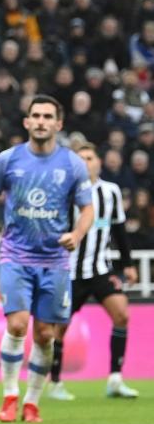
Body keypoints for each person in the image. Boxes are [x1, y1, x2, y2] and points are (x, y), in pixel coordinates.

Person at [0, 95, 94, 424]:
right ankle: (10, 395)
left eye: (48, 116)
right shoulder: (8, 160)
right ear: (26, 122)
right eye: (35, 116)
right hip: (15, 256)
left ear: (59, 123)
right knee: (16, 324)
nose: (41, 121)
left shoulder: (72, 164)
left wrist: (77, 234)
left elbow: (88, 209)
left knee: (45, 335)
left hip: (55, 261)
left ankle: (32, 401)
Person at [49, 144, 139, 400]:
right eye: (81, 159)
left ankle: (115, 379)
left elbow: (119, 230)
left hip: (100, 269)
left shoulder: (111, 192)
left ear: (99, 161)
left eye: (90, 157)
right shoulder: (64, 192)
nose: (86, 162)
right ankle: (55, 382)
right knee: (59, 329)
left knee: (121, 314)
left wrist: (128, 265)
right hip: (69, 271)